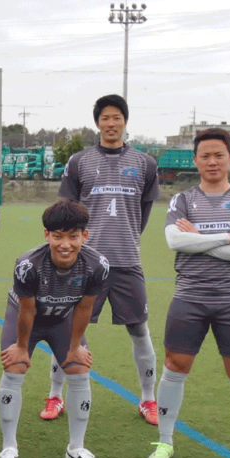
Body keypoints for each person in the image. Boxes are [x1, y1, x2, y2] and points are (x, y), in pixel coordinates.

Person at [147, 128, 230, 458]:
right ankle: (165, 441)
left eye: (219, 155)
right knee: (176, 363)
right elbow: (175, 242)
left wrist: (198, 238)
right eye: (205, 156)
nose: (212, 161)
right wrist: (223, 239)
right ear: (196, 160)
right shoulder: (183, 200)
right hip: (190, 297)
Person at [52, 95, 160, 424]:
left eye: (117, 118)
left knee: (140, 330)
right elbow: (66, 211)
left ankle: (148, 399)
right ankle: (55, 396)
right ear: (97, 122)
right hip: (85, 263)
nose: (111, 124)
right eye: (105, 118)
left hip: (127, 261)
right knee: (68, 330)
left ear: (125, 121)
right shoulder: (80, 161)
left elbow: (143, 212)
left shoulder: (145, 163)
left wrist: (125, 236)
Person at [0, 199, 109, 458]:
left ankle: (76, 449)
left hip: (63, 320)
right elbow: (27, 310)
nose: (65, 244)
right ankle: (9, 447)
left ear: (85, 235)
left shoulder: (98, 266)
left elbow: (84, 308)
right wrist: (22, 347)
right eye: (58, 237)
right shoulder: (28, 265)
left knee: (79, 369)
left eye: (73, 236)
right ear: (47, 235)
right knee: (15, 367)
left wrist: (74, 347)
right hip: (27, 320)